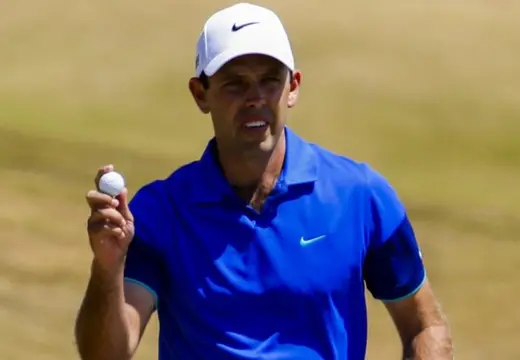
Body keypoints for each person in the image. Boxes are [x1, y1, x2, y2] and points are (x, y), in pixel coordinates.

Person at [73, 2, 453, 359]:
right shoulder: (161, 211)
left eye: (270, 81)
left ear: (294, 87)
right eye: (235, 83)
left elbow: (425, 326)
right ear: (200, 93)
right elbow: (105, 354)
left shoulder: (360, 196)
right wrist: (107, 268)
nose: (255, 98)